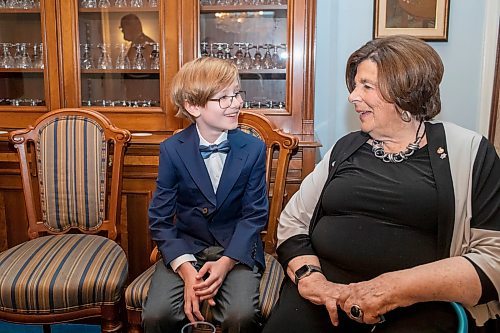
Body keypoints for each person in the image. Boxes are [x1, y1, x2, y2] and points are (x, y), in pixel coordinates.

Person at [262, 34, 499, 332]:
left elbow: (493, 259)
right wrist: (311, 277)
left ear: (404, 93)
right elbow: (293, 221)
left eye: (366, 86)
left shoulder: (470, 151)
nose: (352, 96)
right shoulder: (345, 147)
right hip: (325, 299)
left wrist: (392, 289)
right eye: (355, 84)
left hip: (417, 305)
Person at [142, 56, 268, 333]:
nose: (236, 103)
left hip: (235, 249)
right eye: (224, 97)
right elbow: (160, 220)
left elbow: (255, 215)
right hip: (186, 248)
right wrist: (186, 270)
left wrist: (225, 263)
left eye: (237, 93)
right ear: (193, 106)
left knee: (240, 316)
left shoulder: (253, 149)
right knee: (157, 316)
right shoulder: (172, 149)